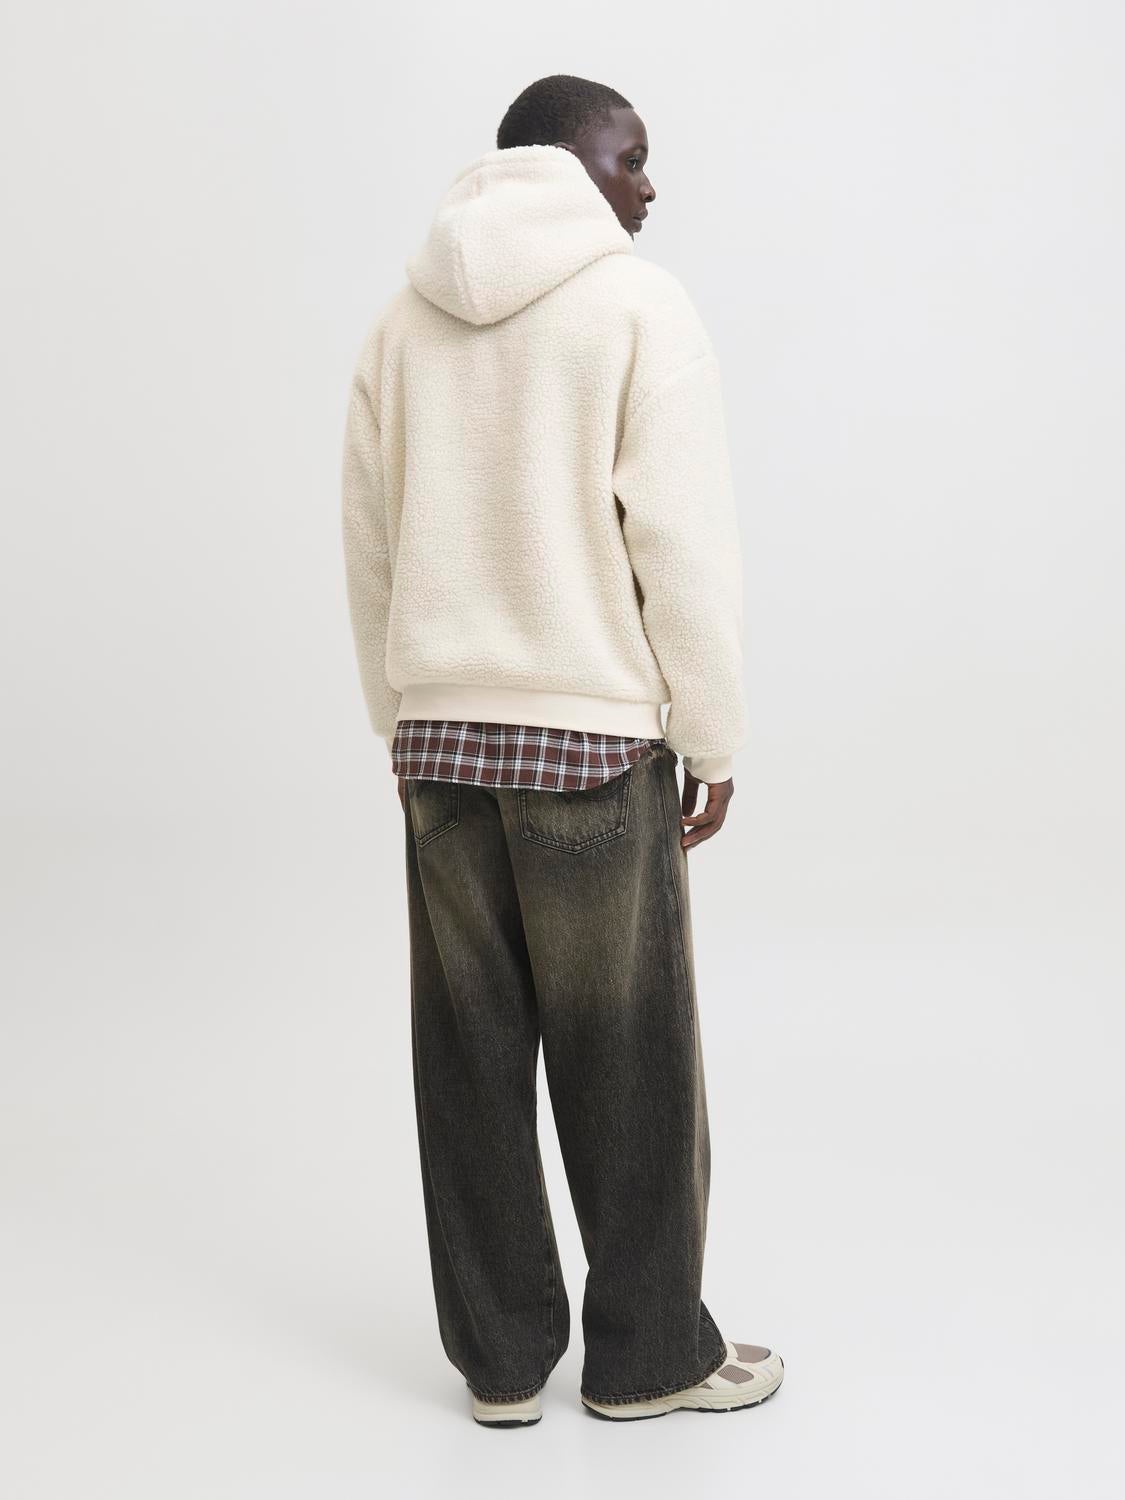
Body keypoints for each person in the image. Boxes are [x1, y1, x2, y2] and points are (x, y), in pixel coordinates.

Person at [340, 73, 784, 1425]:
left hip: (441, 743)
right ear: (565, 162)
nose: (648, 184)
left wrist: (402, 716)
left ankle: (500, 1364)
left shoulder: (401, 322)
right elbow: (681, 544)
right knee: (628, 1058)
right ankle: (649, 1360)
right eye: (630, 157)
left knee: (466, 1057)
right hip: (589, 741)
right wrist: (709, 730)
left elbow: (369, 538)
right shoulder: (637, 307)